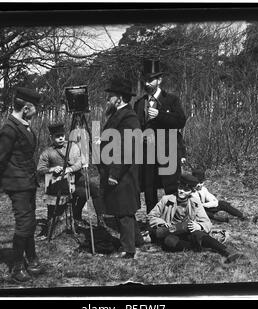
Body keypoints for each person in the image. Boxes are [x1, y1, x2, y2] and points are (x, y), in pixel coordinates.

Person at [0, 87, 44, 282]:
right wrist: (9, 179)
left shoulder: (22, 124)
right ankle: (16, 267)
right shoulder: (10, 128)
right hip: (18, 184)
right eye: (34, 109)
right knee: (24, 223)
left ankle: (32, 260)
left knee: (29, 221)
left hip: (28, 182)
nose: (36, 112)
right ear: (26, 108)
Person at [148, 173, 245, 263]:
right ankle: (196, 246)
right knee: (168, 243)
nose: (182, 191)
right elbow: (152, 215)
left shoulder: (195, 202)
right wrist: (161, 223)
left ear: (191, 191)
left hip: (188, 229)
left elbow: (206, 222)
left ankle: (228, 252)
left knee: (199, 234)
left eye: (186, 190)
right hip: (171, 230)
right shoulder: (166, 199)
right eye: (180, 187)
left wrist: (198, 225)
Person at [98, 76, 144, 259]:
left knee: (124, 210)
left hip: (123, 172)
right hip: (117, 169)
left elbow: (128, 148)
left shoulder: (129, 117)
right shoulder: (119, 114)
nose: (108, 99)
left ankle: (128, 250)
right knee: (122, 208)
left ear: (120, 97)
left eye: (111, 96)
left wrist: (115, 173)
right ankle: (137, 240)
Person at [134, 59, 186, 214]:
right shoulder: (139, 103)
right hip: (147, 153)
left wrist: (160, 115)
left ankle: (171, 220)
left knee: (170, 187)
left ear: (159, 80)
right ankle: (153, 222)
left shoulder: (171, 100)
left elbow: (180, 122)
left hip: (168, 150)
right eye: (145, 80)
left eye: (151, 80)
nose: (147, 84)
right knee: (149, 189)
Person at [37, 123, 106, 228]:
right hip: (59, 182)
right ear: (51, 137)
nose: (60, 138)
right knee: (81, 193)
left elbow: (80, 162)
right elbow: (40, 169)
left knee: (93, 188)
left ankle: (100, 220)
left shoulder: (72, 146)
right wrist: (52, 169)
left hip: (76, 177)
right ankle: (75, 217)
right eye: (57, 136)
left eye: (62, 135)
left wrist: (70, 169)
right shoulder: (47, 152)